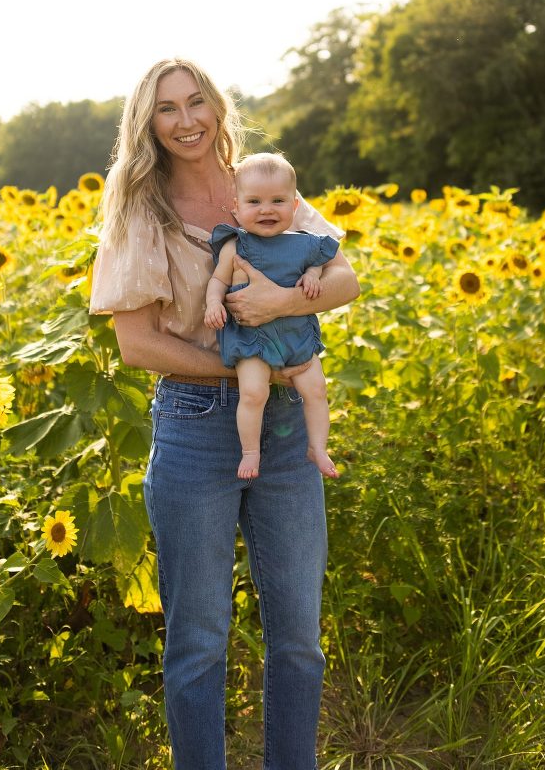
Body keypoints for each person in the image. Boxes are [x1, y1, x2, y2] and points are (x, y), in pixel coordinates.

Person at [89, 58, 360, 770]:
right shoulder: (138, 207)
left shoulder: (259, 184)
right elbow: (139, 342)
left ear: (217, 106)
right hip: (192, 427)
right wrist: (252, 368)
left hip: (284, 432)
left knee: (299, 633)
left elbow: (345, 277)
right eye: (168, 109)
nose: (186, 120)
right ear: (147, 123)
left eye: (196, 101)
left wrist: (279, 305)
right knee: (199, 640)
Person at [204, 151, 340, 480]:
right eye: (254, 202)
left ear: (295, 207)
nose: (267, 209)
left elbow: (319, 262)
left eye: (278, 200)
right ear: (236, 207)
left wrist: (312, 274)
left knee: (317, 389)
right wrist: (213, 304)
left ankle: (318, 447)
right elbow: (218, 280)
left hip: (295, 335)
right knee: (253, 392)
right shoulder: (235, 245)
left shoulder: (305, 243)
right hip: (252, 339)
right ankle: (250, 452)